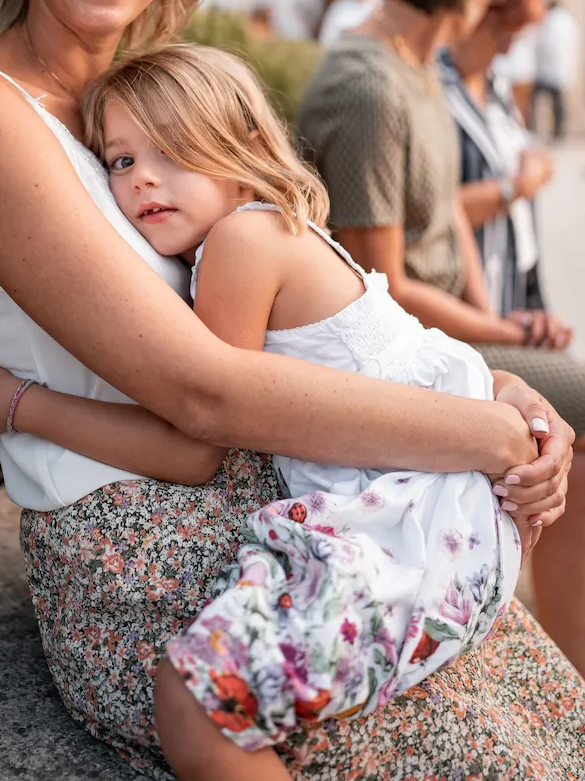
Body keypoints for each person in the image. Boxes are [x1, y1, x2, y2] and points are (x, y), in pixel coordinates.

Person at [0, 0, 580, 780]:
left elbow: (318, 309)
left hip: (278, 490)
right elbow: (201, 390)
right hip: (140, 545)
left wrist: (494, 390)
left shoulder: (134, 115)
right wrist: (488, 432)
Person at [65, 41, 524, 779]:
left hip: (424, 522)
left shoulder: (243, 241)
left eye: (174, 150)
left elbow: (193, 446)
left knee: (195, 704)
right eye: (120, 160)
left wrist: (20, 405)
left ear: (245, 146)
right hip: (446, 510)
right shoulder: (268, 230)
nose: (144, 177)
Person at [295, 0, 585, 675]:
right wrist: (499, 336)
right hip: (393, 347)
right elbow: (376, 281)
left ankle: (553, 646)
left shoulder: (416, 63)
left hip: (445, 327)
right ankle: (561, 660)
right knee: (582, 397)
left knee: (567, 421)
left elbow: (448, 220)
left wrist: (503, 320)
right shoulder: (369, 88)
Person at [440, 0, 564, 326]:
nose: (509, 49)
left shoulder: (496, 86)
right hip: (470, 290)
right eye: (504, 34)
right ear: (474, 21)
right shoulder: (436, 95)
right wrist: (518, 186)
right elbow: (436, 210)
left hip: (517, 268)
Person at [534, 0, 579, 140]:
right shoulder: (569, 21)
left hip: (548, 68)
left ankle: (534, 127)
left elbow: (545, 44)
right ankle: (559, 131)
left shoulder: (551, 21)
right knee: (558, 102)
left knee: (538, 99)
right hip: (562, 68)